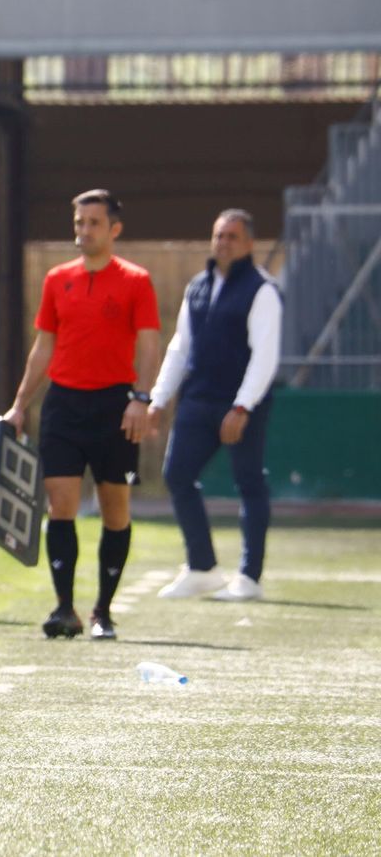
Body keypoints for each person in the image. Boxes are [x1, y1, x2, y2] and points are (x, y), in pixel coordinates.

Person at [0, 189, 160, 641]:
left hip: (115, 406)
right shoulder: (56, 279)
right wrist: (19, 404)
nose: (83, 231)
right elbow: (43, 347)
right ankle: (63, 607)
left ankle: (103, 611)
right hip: (64, 406)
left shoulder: (136, 280)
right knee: (60, 506)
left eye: (93, 222)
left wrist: (141, 398)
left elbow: (149, 343)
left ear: (114, 229)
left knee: (115, 510)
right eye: (78, 222)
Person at [150, 209, 281, 603]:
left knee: (249, 483)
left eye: (232, 237)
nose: (224, 243)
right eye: (219, 235)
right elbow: (180, 347)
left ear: (249, 243)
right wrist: (158, 398)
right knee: (177, 476)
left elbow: (265, 356)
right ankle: (202, 567)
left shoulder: (262, 290)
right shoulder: (198, 286)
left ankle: (250, 577)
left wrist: (242, 407)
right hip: (198, 399)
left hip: (240, 403)